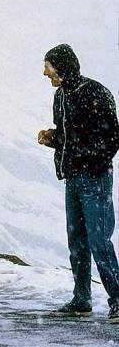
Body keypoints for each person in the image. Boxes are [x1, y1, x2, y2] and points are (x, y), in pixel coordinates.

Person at [38, 43, 119, 323]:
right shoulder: (60, 97)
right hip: (73, 178)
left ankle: (118, 299)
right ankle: (82, 299)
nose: (45, 73)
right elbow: (68, 136)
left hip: (94, 179)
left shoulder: (94, 92)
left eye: (48, 66)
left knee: (99, 241)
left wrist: (90, 161)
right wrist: (53, 138)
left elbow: (112, 138)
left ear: (62, 66)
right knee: (77, 242)